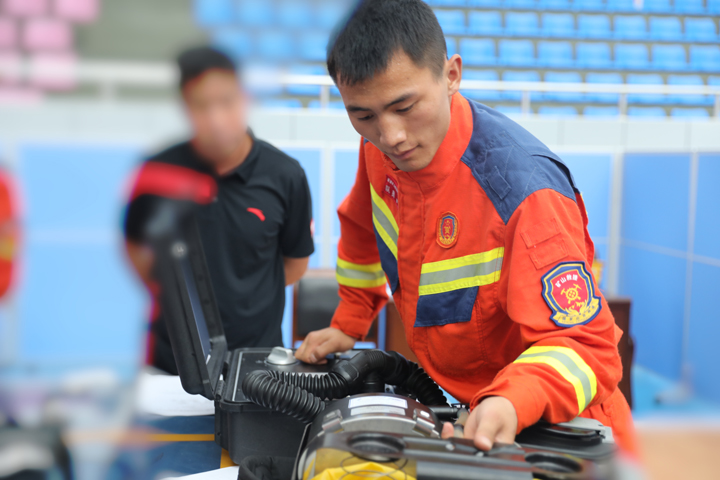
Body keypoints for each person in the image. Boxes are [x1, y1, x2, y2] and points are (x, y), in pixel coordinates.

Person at [295, 0, 636, 455]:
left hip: (565, 431)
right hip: (479, 418)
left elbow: (588, 347)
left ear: (451, 74)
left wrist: (511, 399)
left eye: (404, 106)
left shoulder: (524, 192)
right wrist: (351, 320)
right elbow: (361, 225)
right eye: (364, 115)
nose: (390, 135)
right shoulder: (382, 149)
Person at [125, 47, 314, 374]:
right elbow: (134, 246)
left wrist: (246, 295)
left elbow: (295, 264)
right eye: (201, 105)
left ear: (244, 98)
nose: (215, 119)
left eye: (226, 102)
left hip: (258, 362)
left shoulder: (286, 176)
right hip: (170, 362)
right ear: (186, 107)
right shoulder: (155, 172)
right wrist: (171, 293)